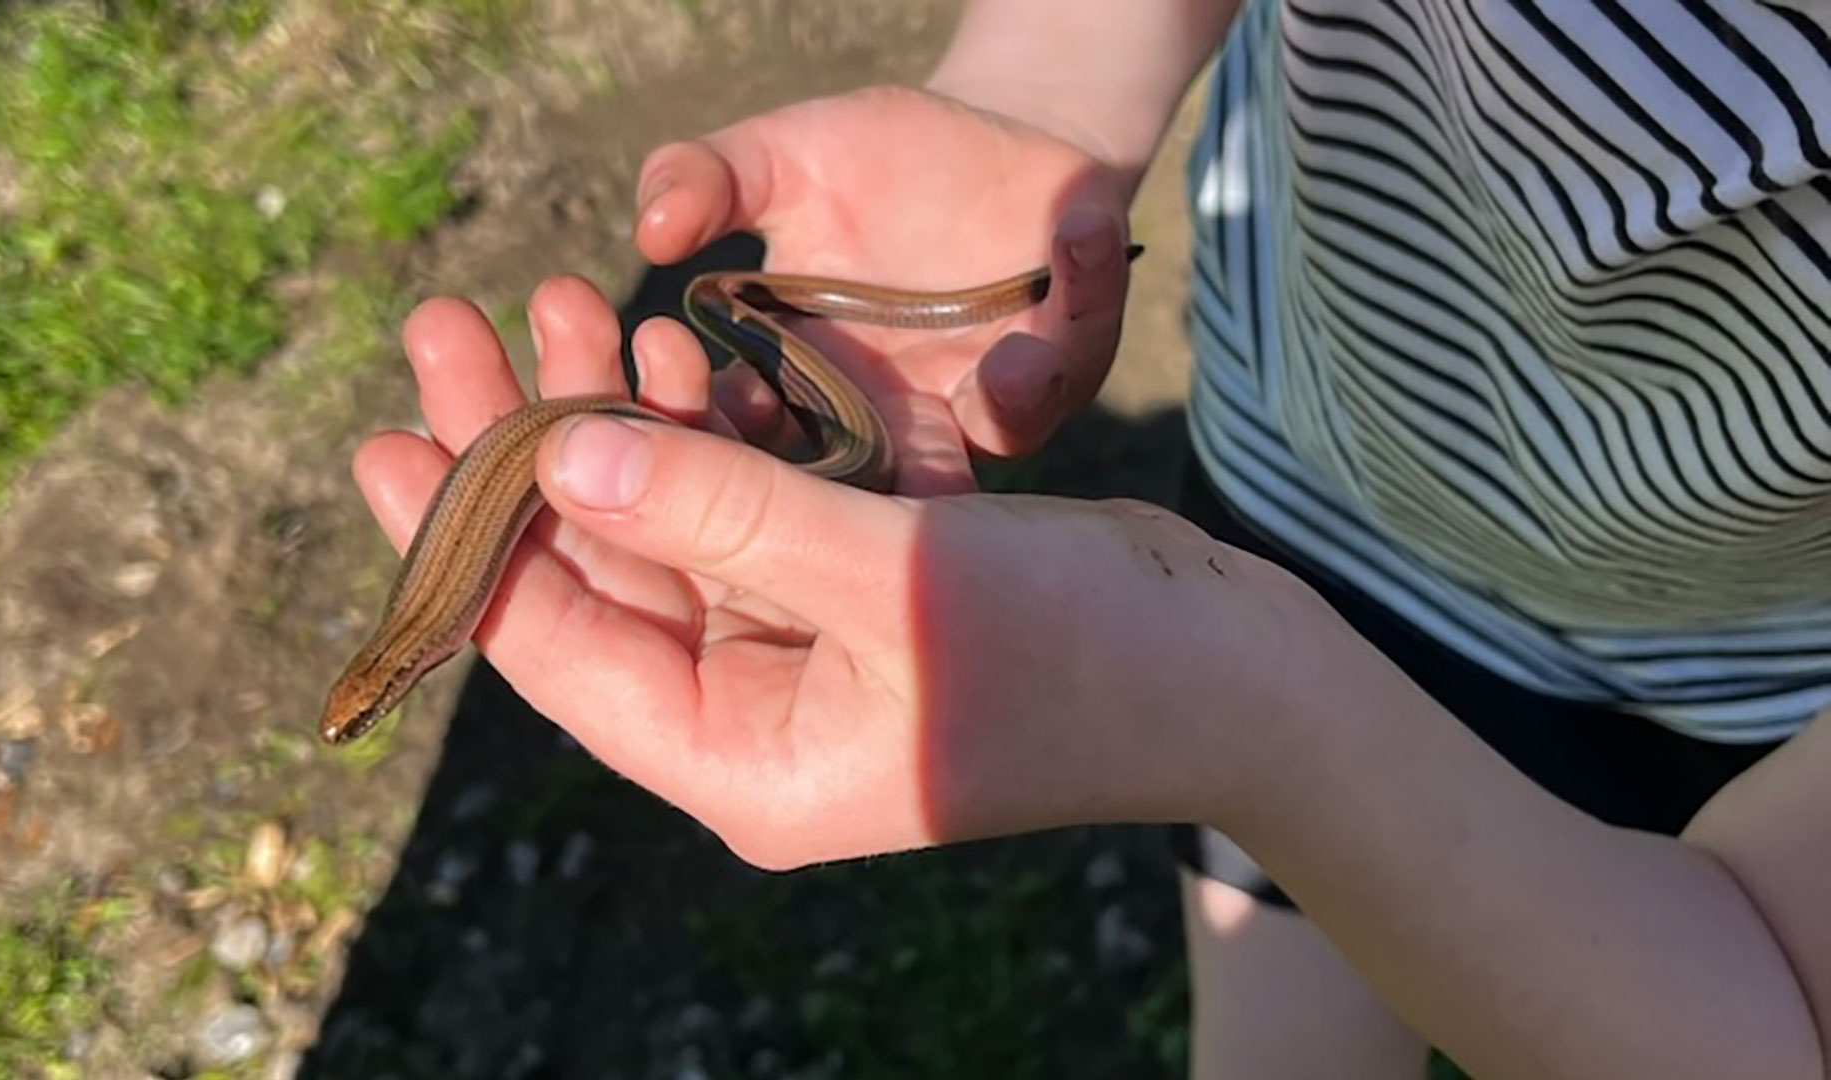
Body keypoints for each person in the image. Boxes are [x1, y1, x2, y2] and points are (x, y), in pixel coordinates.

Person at [351, 2, 1831, 1077]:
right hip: (1302, 484)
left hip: (1741, 712)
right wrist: (1052, 91)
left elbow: (1767, 1005)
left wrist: (1231, 709)